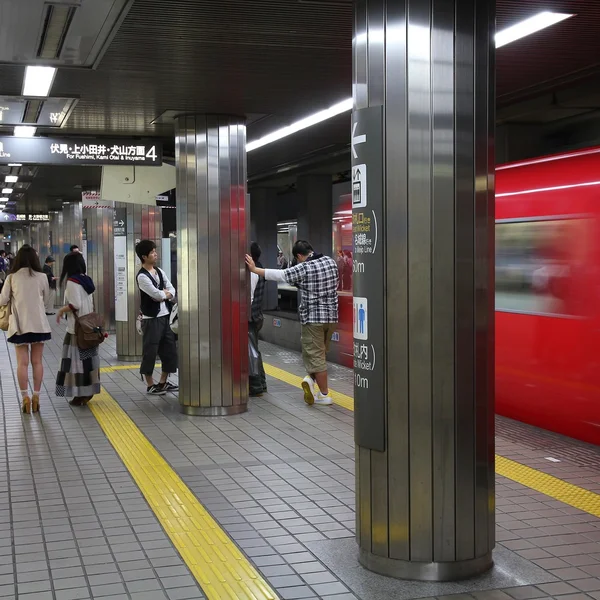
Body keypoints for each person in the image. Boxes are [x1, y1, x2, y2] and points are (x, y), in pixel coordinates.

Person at [246, 240, 338, 406]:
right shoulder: (330, 262)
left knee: (315, 357)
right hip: (331, 318)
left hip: (313, 318)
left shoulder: (304, 267)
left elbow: (280, 275)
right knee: (321, 352)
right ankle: (310, 380)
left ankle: (324, 395)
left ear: (299, 256)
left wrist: (254, 269)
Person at [0, 245, 51, 414]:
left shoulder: (12, 277)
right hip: (39, 325)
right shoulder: (43, 276)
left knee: (22, 363)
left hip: (19, 326)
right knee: (37, 362)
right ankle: (36, 395)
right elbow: (45, 298)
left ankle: (25, 398)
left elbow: (3, 300)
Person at [55, 253, 100, 406]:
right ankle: (88, 392)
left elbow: (75, 304)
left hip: (77, 329)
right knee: (88, 361)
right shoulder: (86, 279)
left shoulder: (72, 282)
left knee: (76, 363)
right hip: (89, 326)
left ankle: (81, 394)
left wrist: (61, 310)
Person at [135, 239, 178, 395]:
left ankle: (163, 382)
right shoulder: (142, 276)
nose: (155, 254)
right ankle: (150, 384)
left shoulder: (159, 271)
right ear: (144, 256)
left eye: (155, 251)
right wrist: (164, 294)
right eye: (152, 252)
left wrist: (164, 294)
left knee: (170, 351)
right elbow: (156, 294)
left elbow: (171, 290)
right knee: (150, 352)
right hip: (151, 319)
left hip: (166, 316)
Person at [248, 242, 267, 397]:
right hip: (257, 316)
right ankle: (261, 383)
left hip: (250, 317)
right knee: (255, 349)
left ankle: (256, 385)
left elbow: (249, 298)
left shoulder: (252, 272)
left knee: (251, 350)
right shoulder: (259, 267)